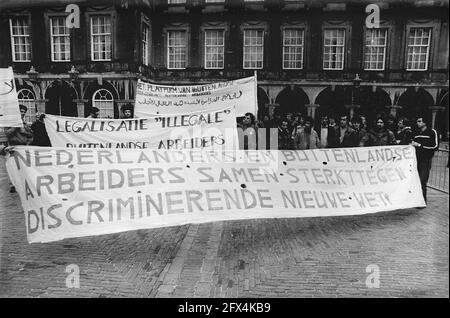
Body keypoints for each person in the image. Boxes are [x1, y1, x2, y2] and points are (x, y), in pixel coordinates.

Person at [3, 104, 34, 193]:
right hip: (13, 147)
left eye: (24, 112)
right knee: (12, 166)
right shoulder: (10, 123)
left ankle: (22, 183)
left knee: (23, 167)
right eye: (21, 111)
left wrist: (28, 141)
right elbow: (7, 134)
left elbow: (31, 135)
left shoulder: (25, 124)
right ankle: (12, 185)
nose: (23, 113)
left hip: (23, 148)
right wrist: (16, 126)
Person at [411, 116, 439, 205]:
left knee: (422, 180)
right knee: (416, 180)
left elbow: (435, 146)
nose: (417, 123)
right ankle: (416, 199)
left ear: (425, 122)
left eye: (419, 121)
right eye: (417, 121)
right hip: (416, 159)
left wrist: (419, 146)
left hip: (425, 160)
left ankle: (422, 201)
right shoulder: (416, 133)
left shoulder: (432, 132)